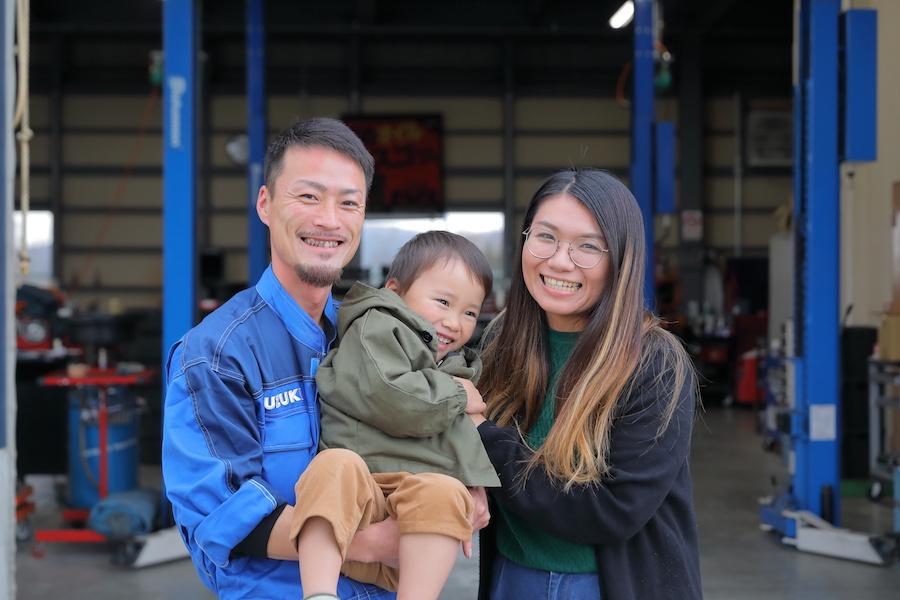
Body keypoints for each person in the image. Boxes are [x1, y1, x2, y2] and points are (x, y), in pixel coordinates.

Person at [163, 118, 430, 599]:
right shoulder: (217, 355)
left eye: (348, 203)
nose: (329, 220)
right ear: (265, 204)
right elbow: (222, 518)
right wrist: (374, 543)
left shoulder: (371, 338)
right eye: (308, 197)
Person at [473, 169, 702, 600]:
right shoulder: (501, 342)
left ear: (621, 259)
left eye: (588, 246)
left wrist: (485, 441)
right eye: (545, 237)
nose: (560, 260)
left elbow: (612, 511)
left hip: (605, 586)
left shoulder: (654, 363)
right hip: (512, 576)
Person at [290, 231, 499, 600]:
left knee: (445, 490)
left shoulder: (453, 363)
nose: (454, 321)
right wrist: (454, 393)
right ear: (395, 291)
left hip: (409, 518)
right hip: (359, 499)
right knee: (334, 467)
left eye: (469, 312)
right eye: (443, 302)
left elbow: (460, 432)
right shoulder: (378, 327)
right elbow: (393, 395)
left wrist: (473, 483)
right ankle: (319, 593)